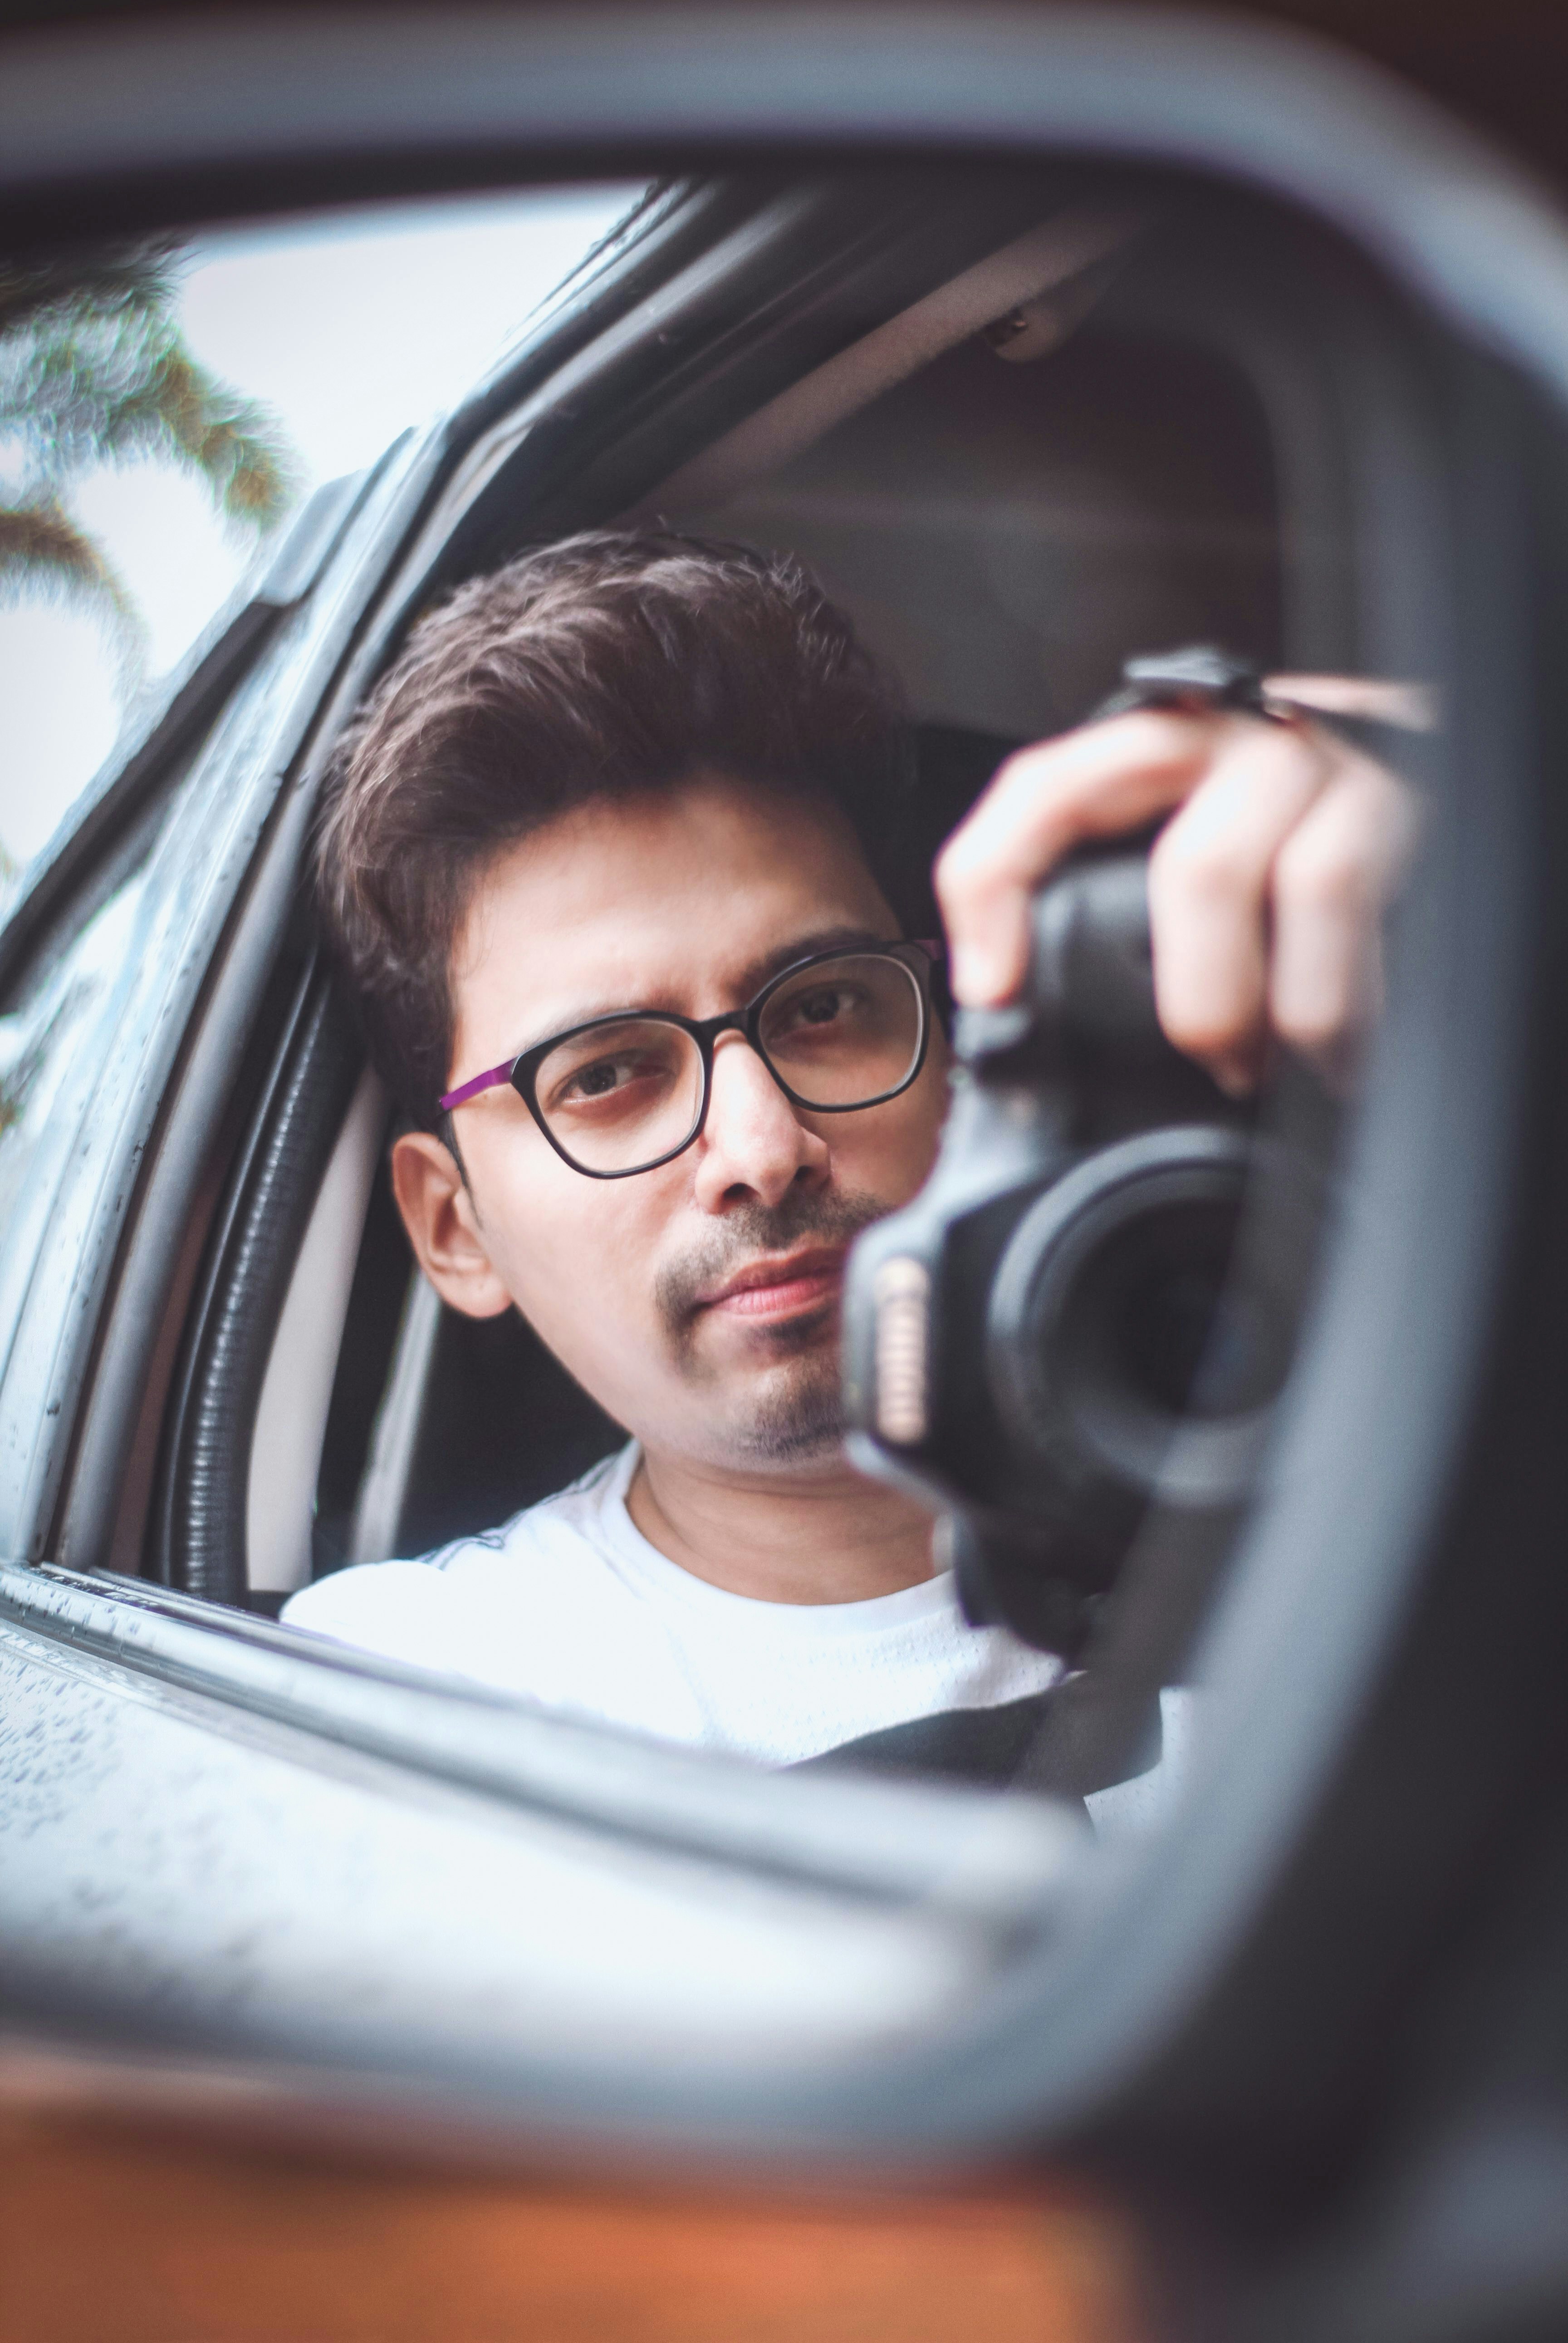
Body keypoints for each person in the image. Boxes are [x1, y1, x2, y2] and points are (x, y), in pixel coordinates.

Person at [283, 531, 1414, 1784]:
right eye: (606, 1075)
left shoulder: (1392, 1446)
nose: (762, 1149)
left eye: (821, 1007)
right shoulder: (398, 1704)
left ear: (959, 1047)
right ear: (456, 1229)